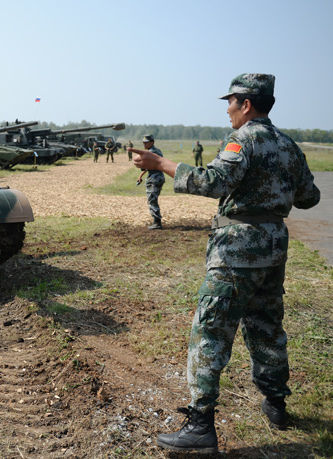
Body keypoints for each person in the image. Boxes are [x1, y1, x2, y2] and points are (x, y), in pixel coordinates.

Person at [129, 73, 320, 454]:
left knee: (211, 330)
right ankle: (277, 405)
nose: (228, 111)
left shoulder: (241, 140)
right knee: (267, 326)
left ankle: (200, 425)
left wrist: (160, 163)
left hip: (237, 251)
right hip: (273, 249)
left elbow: (212, 182)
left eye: (230, 103)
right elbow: (309, 197)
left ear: (246, 104)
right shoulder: (288, 145)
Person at [137, 134, 165, 229]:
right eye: (143, 143)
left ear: (152, 142)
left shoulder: (151, 153)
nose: (144, 144)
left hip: (154, 178)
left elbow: (145, 166)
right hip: (158, 177)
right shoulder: (156, 151)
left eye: (146, 142)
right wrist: (140, 176)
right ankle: (156, 221)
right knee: (153, 199)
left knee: (152, 200)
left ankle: (157, 223)